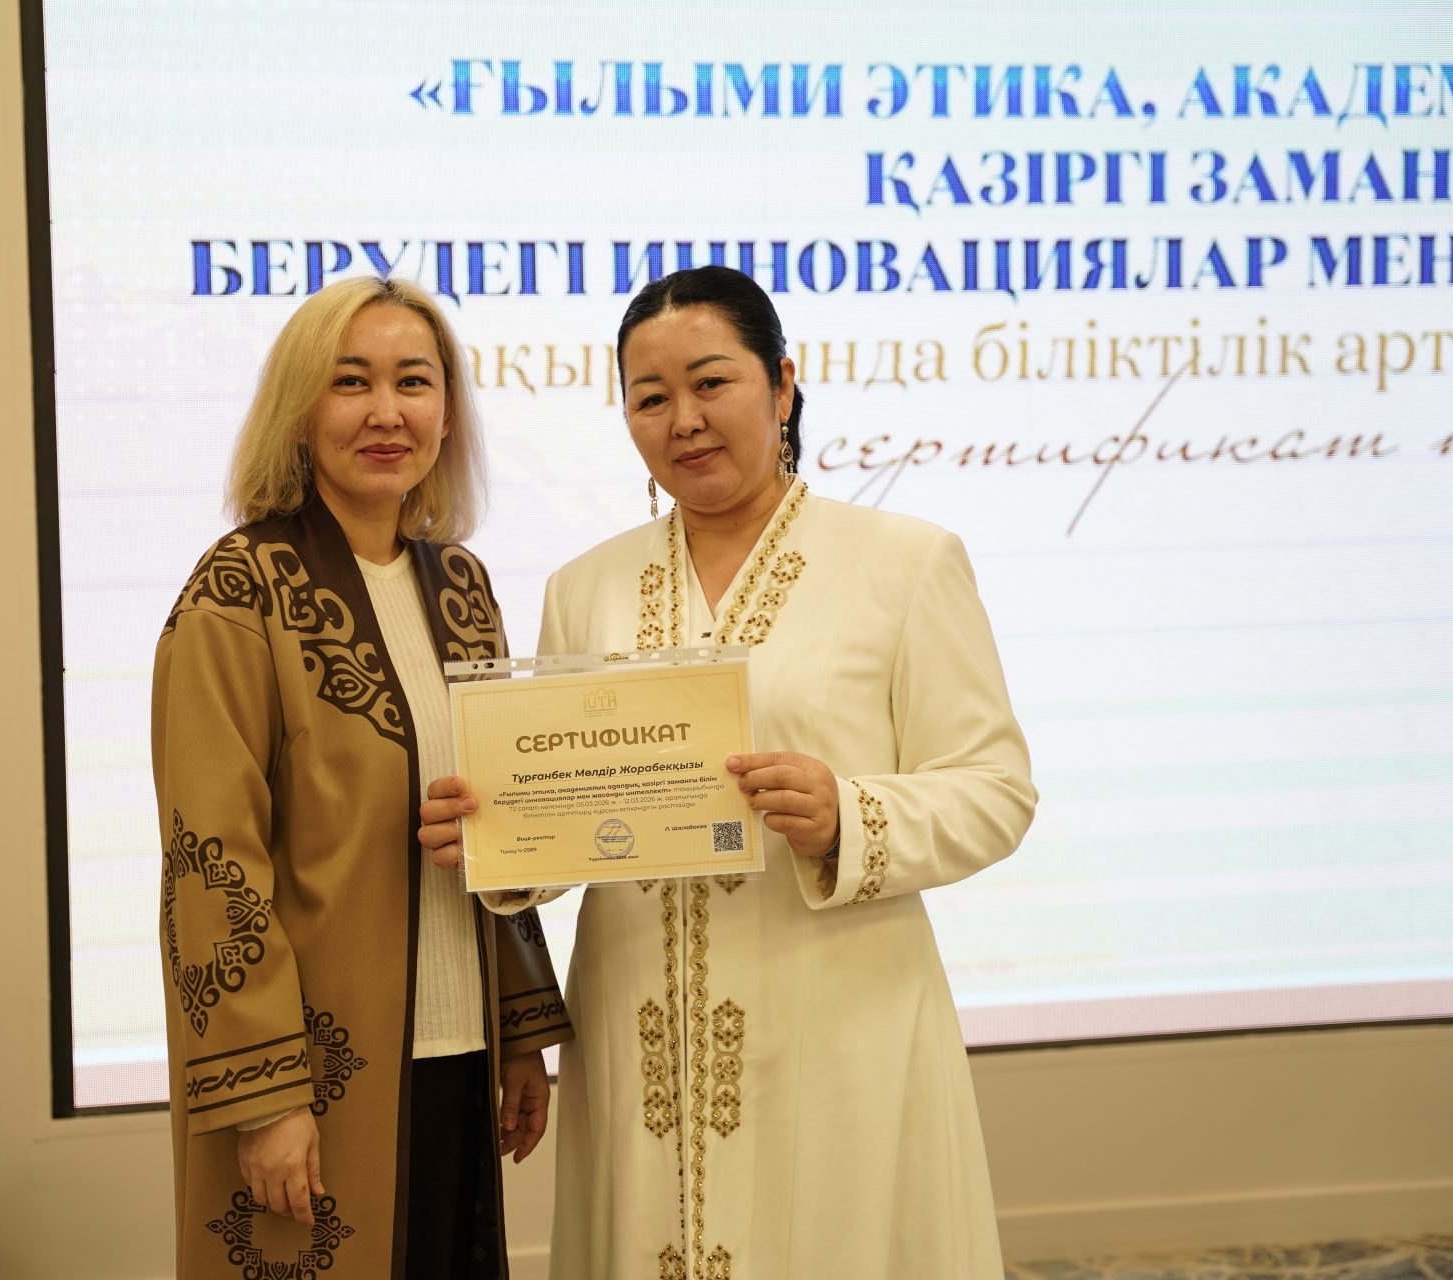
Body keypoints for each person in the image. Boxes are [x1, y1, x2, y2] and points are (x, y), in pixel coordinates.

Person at [420, 265, 1036, 1277]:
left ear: (781, 385)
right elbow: (572, 811)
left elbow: (995, 789)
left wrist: (849, 813)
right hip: (641, 1030)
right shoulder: (586, 586)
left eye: (712, 383)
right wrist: (499, 835)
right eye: (650, 397)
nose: (685, 421)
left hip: (838, 1021)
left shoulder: (904, 562)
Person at [153, 274, 572, 1279]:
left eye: (413, 382)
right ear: (300, 410)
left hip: (458, 1056)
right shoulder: (236, 591)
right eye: (351, 382)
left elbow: (494, 816)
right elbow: (212, 861)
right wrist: (265, 1097)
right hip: (314, 1078)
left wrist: (519, 1031)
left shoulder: (461, 586)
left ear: (447, 412)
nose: (387, 412)